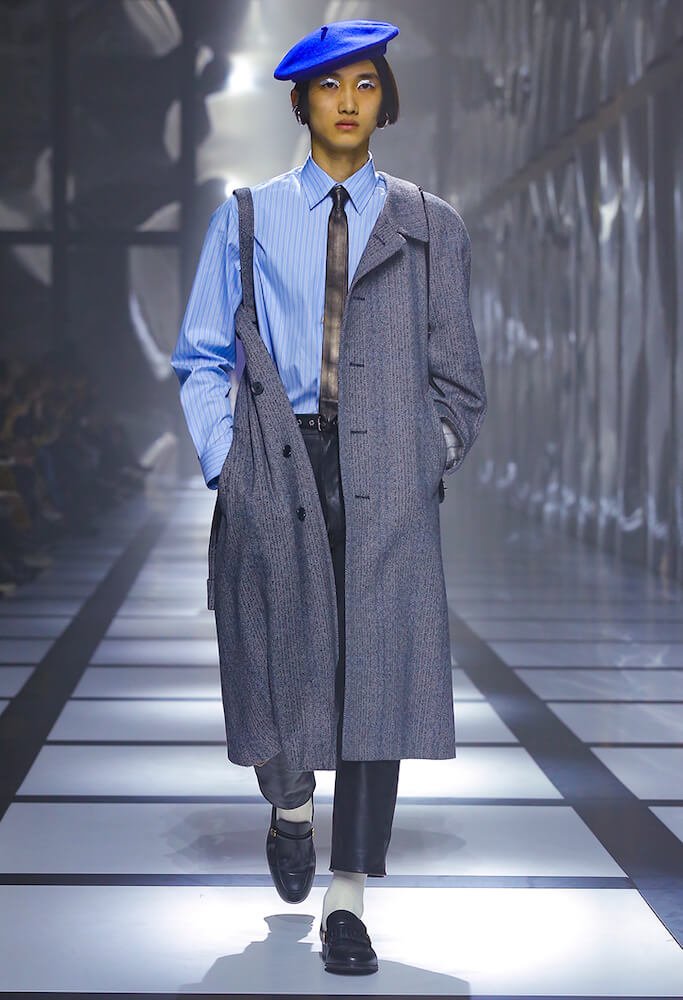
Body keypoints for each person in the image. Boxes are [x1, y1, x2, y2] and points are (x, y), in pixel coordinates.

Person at [171, 18, 487, 976]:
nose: (347, 101)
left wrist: (426, 455)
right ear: (300, 102)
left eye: (364, 83)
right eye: (327, 85)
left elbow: (458, 378)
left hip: (387, 474)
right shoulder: (246, 218)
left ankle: (347, 899)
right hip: (279, 462)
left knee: (373, 680)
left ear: (384, 100)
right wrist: (229, 464)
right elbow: (201, 356)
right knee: (274, 661)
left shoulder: (430, 224)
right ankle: (289, 800)